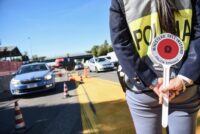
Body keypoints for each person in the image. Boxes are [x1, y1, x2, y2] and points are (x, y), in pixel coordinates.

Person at [109, 0, 200, 134]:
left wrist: (152, 81)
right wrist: (183, 78)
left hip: (144, 92)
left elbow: (121, 44)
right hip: (184, 89)